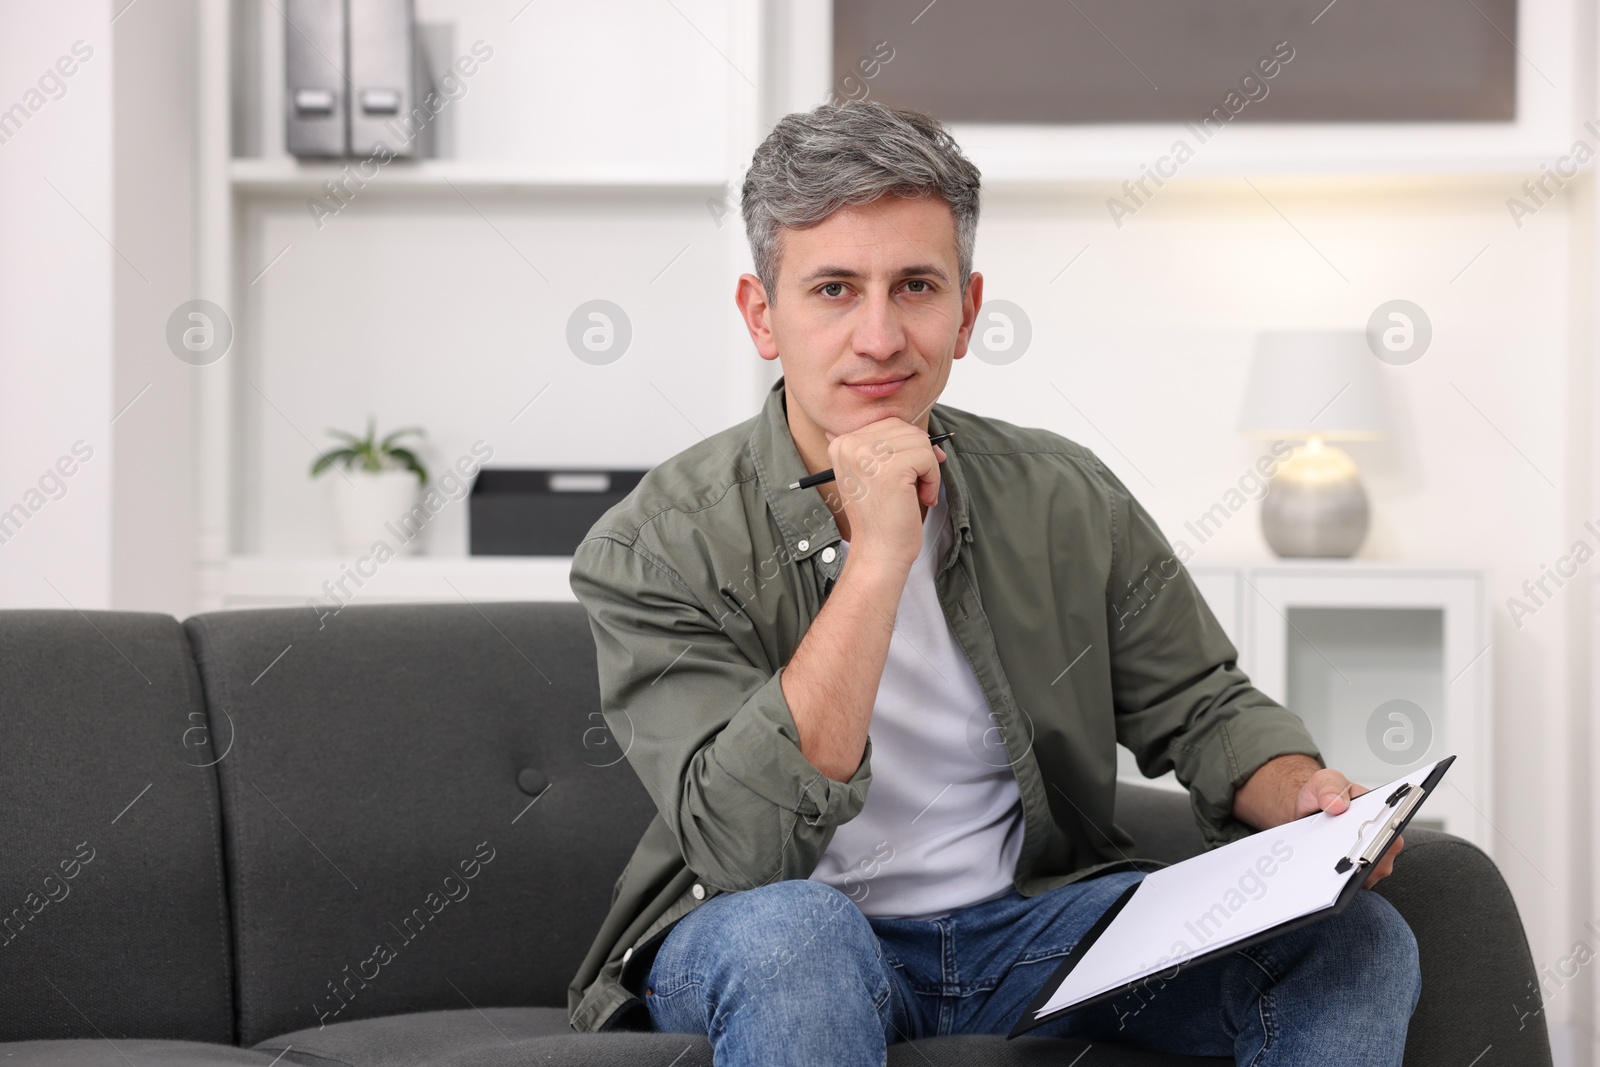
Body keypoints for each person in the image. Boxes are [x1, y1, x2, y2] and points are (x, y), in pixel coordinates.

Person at [564, 100, 1418, 1066]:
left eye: (915, 286)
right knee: (803, 935)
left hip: (1030, 931)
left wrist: (1302, 794)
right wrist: (879, 556)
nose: (880, 336)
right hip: (766, 935)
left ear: (966, 313)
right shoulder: (653, 546)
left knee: (1353, 941)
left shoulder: (1063, 493)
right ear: (764, 316)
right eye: (835, 289)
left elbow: (1200, 704)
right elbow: (746, 850)